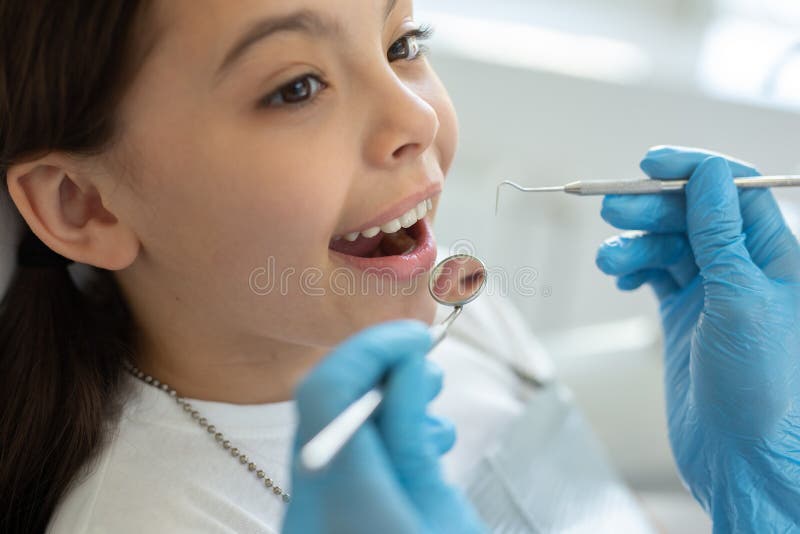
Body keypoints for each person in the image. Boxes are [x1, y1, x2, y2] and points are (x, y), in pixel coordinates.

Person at [0, 2, 797, 534]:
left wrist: (758, 481)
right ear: (83, 205)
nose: (416, 116)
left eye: (401, 44)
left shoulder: (447, 294)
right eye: (297, 87)